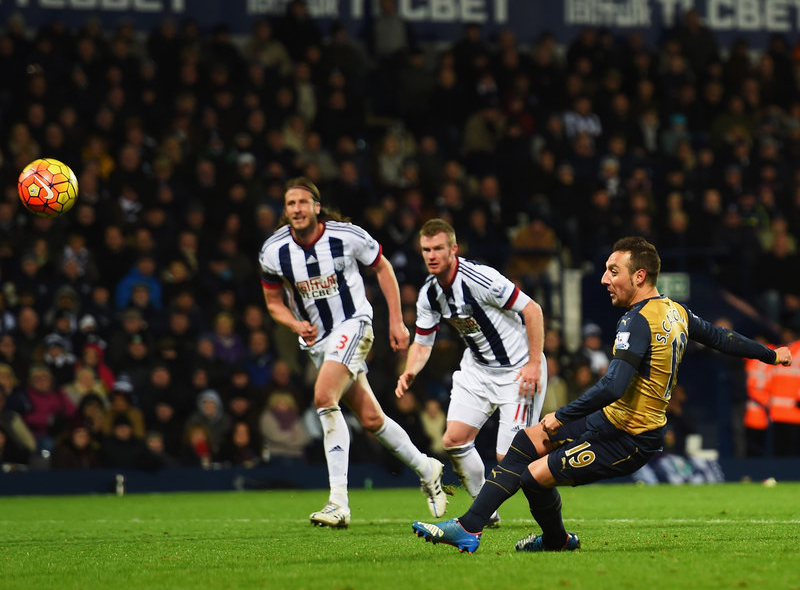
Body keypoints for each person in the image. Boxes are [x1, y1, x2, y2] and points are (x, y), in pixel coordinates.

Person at [410, 236, 792, 553]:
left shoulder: (637, 321)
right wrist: (771, 353)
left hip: (630, 439)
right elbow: (723, 338)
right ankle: (472, 527)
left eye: (614, 272)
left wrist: (560, 415)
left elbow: (613, 386)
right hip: (611, 420)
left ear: (639, 276)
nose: (605, 280)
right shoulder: (675, 312)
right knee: (525, 442)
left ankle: (547, 540)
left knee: (532, 477)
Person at [259, 177, 446, 528]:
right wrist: (294, 325)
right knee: (372, 420)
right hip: (317, 342)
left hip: (354, 324)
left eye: (303, 202)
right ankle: (427, 467)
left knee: (324, 397)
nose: (297, 209)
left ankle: (338, 503)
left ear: (317, 206)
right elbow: (272, 302)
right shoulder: (274, 251)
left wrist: (396, 322)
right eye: (290, 204)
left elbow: (383, 267)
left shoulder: (347, 236)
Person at [395, 218, 547, 528]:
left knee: (510, 461)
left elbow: (533, 311)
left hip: (518, 370)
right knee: (454, 439)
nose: (432, 255)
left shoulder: (480, 279)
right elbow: (423, 342)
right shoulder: (429, 293)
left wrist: (533, 364)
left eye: (438, 248)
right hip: (478, 370)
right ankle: (486, 511)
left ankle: (561, 462)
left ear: (453, 249)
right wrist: (411, 370)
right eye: (426, 250)